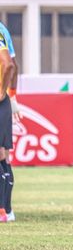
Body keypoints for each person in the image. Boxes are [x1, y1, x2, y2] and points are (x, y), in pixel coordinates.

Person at [0, 21, 18, 223]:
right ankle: (7, 210)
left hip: (1, 98)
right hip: (5, 99)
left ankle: (3, 210)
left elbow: (9, 64)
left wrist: (3, 92)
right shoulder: (2, 28)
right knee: (3, 155)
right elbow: (14, 63)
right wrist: (11, 95)